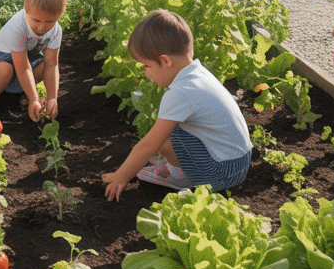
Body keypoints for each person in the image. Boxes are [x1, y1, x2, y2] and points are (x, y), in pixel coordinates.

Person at [103, 10, 252, 198]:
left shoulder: (180, 93)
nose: (146, 74)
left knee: (164, 136)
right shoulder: (198, 74)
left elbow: (147, 146)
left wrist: (121, 176)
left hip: (219, 174)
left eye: (147, 66)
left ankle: (178, 176)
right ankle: (180, 166)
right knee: (171, 126)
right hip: (239, 163)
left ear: (165, 61)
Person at [0, 0, 69, 123]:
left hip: (28, 59)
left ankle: (20, 94)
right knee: (5, 69)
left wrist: (52, 98)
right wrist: (34, 98)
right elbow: (23, 68)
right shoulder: (17, 27)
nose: (42, 27)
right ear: (26, 9)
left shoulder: (56, 30)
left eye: (50, 21)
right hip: (4, 60)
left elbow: (52, 64)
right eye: (36, 20)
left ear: (60, 14)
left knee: (44, 64)